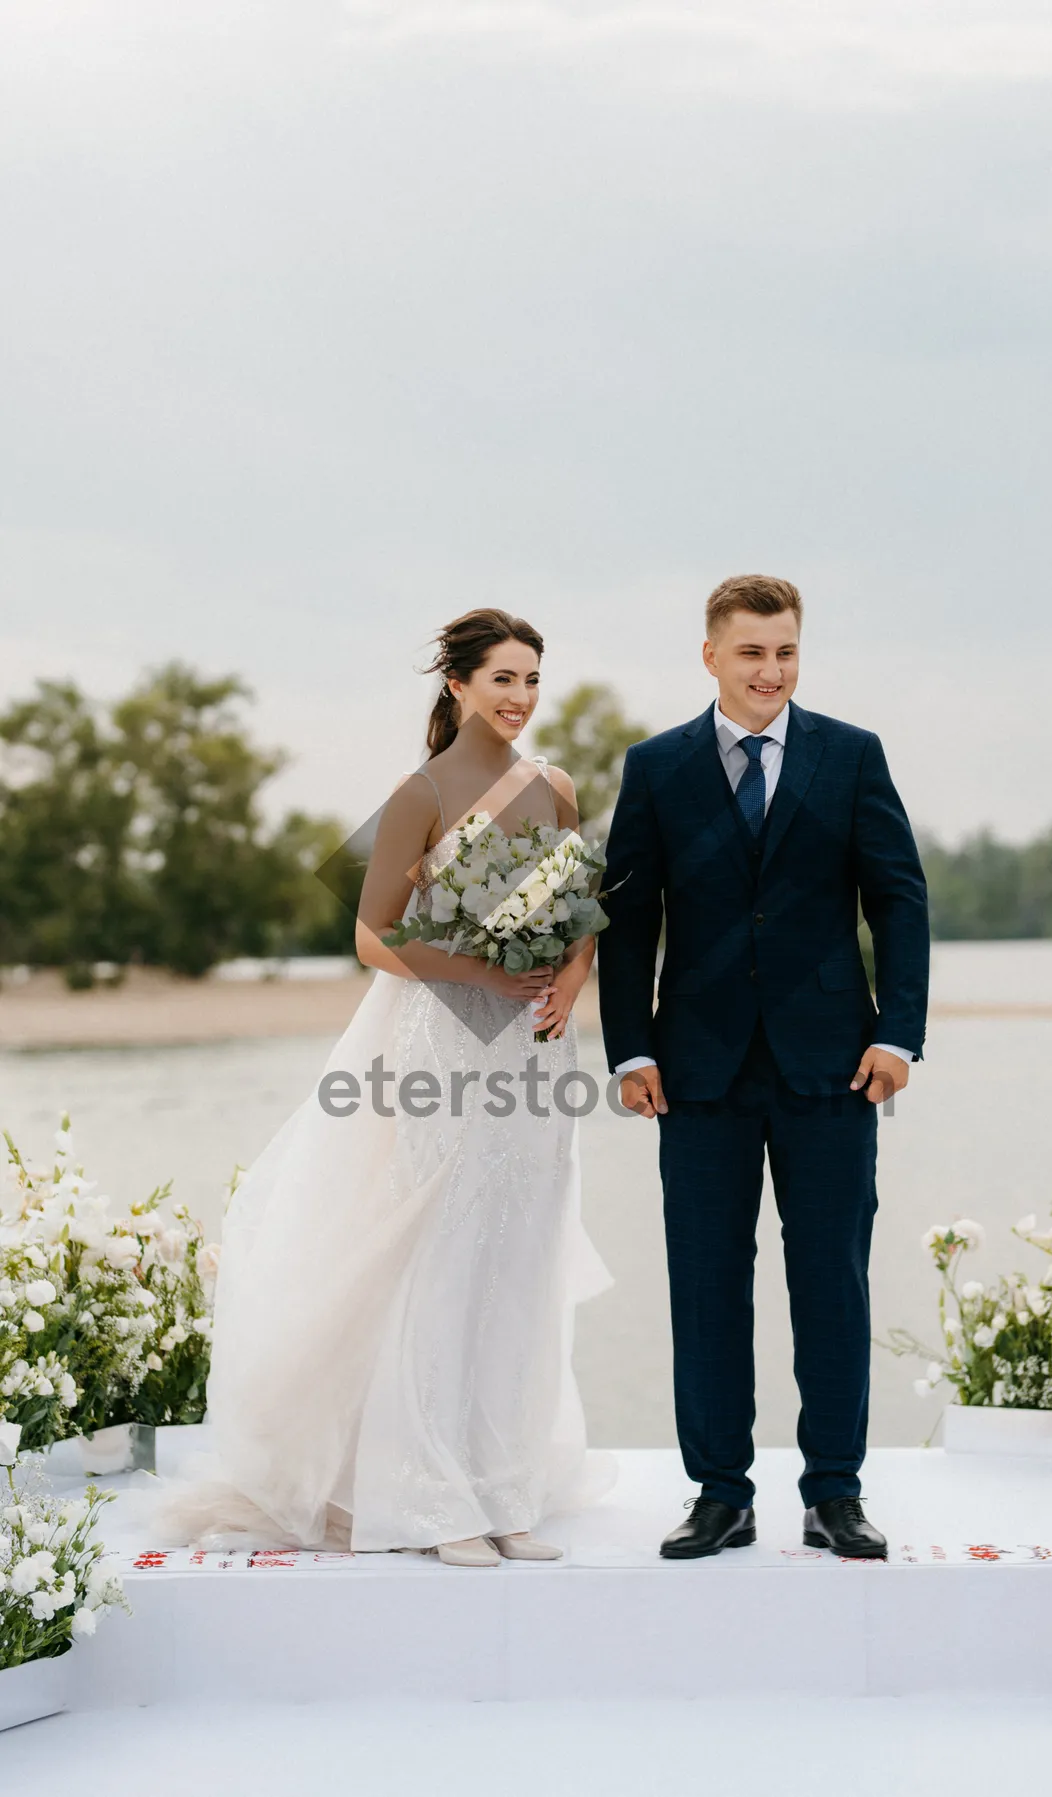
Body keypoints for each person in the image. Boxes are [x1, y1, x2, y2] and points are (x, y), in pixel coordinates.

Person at [164, 608, 611, 1566]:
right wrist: (483, 974)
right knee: (444, 1257)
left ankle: (505, 1488)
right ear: (456, 685)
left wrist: (566, 986)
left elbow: (579, 917)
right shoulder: (421, 791)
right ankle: (436, 1498)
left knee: (520, 1258)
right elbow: (374, 936)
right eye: (503, 678)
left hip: (534, 1052)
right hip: (444, 1041)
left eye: (532, 678)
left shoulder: (558, 787)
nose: (521, 697)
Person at [599, 574, 929, 1560]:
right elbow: (627, 925)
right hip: (695, 1072)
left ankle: (834, 1494)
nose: (770, 672)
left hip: (835, 1068)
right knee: (705, 1283)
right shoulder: (656, 769)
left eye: (785, 652)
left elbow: (899, 901)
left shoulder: (850, 755)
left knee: (832, 1280)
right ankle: (719, 1494)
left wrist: (898, 1034)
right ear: (711, 656)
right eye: (751, 653)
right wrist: (630, 1047)